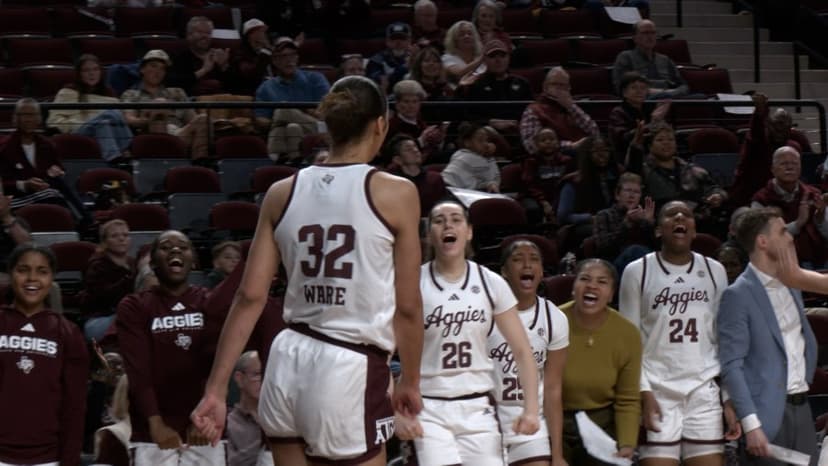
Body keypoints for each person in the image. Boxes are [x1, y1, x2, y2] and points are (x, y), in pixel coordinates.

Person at [191, 76, 425, 466]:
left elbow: (250, 297)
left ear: (327, 126)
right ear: (381, 124)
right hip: (349, 363)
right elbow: (408, 307)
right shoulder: (397, 193)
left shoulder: (281, 192)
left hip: (285, 360)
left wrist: (215, 390)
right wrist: (411, 380)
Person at [396, 200, 539, 466]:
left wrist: (531, 409)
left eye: (456, 219)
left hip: (478, 407)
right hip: (426, 406)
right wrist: (396, 410)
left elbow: (522, 351)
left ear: (469, 231)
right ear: (429, 235)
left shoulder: (490, 282)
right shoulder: (412, 283)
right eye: (439, 221)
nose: (448, 224)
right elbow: (381, 349)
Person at [619, 200, 740, 465]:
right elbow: (627, 343)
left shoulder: (714, 270)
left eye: (686, 214)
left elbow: (724, 339)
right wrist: (642, 391)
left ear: (694, 230)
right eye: (671, 215)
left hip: (703, 389)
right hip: (657, 389)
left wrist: (728, 398)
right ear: (658, 230)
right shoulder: (636, 271)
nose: (679, 217)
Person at [116, 230, 238, 466]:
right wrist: (155, 422)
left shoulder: (209, 301)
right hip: (153, 433)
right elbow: (138, 370)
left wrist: (206, 417)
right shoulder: (134, 306)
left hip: (205, 428)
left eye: (183, 246)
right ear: (152, 262)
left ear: (193, 260)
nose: (175, 250)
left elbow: (215, 364)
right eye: (165, 247)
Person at [718, 208, 818, 464]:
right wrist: (751, 425)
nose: (791, 237)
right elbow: (732, 365)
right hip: (766, 416)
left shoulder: (794, 282)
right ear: (763, 242)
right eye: (783, 231)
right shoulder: (737, 295)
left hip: (802, 409)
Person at [0, 245, 89, 466]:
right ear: (11, 274)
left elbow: (75, 405)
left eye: (42, 271)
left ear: (52, 279)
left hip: (48, 457)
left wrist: (70, 459)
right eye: (23, 270)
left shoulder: (68, 333)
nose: (32, 278)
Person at [490, 240, 569, 466]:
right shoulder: (483, 313)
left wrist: (557, 454)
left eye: (534, 259)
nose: (527, 264)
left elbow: (553, 390)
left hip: (530, 420)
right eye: (517, 259)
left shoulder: (554, 318)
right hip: (486, 419)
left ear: (542, 271)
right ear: (504, 271)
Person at [558, 259, 641, 464]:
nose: (592, 286)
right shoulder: (553, 321)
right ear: (573, 288)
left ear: (612, 294)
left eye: (602, 282)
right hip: (555, 421)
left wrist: (627, 444)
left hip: (602, 423)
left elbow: (628, 398)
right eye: (584, 279)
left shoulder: (627, 333)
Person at [0, 98, 90, 222]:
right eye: (23, 115)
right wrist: (24, 184)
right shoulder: (4, 147)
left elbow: (58, 169)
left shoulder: (47, 145)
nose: (28, 119)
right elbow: (3, 183)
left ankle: (82, 222)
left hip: (46, 194)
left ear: (39, 119)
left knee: (57, 190)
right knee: (53, 195)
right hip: (14, 199)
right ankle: (84, 222)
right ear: (15, 118)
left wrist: (58, 172)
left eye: (32, 115)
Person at [121, 50, 209, 160]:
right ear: (142, 69)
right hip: (149, 136)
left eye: (162, 68)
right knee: (160, 104)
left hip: (179, 135)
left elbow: (192, 119)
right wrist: (149, 119)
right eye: (153, 66)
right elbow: (129, 119)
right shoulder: (131, 94)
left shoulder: (177, 93)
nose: (158, 71)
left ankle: (200, 165)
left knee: (203, 119)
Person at [750, 145, 828, 269]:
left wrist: (819, 218)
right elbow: (763, 240)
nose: (790, 167)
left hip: (819, 263)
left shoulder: (814, 194)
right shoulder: (761, 200)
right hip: (780, 266)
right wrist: (798, 224)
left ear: (801, 168)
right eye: (784, 163)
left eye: (794, 163)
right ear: (772, 169)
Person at [730, 92, 813, 207]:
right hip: (750, 199)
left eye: (785, 125)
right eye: (777, 124)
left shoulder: (795, 146)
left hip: (787, 200)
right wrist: (759, 112)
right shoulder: (758, 143)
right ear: (768, 125)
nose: (780, 129)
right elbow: (756, 131)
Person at [254, 37, 330, 163]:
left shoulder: (316, 79)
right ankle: (296, 162)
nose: (289, 60)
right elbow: (261, 119)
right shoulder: (266, 87)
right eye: (283, 56)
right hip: (291, 133)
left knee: (283, 110)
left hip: (319, 127)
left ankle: (273, 157)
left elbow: (327, 111)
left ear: (297, 57)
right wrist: (281, 121)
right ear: (274, 61)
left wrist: (297, 111)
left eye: (292, 55)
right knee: (292, 127)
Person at [47, 54, 133, 162]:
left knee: (104, 123)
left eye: (95, 69)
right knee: (112, 113)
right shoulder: (68, 92)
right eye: (86, 70)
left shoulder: (110, 94)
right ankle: (128, 149)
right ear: (79, 74)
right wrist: (79, 123)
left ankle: (115, 159)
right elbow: (53, 121)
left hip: (103, 130)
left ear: (101, 72)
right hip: (78, 131)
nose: (92, 74)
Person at [520, 67, 600, 155]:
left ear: (569, 88)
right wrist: (571, 146)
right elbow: (532, 146)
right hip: (553, 161)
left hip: (583, 158)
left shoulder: (573, 108)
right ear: (545, 87)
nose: (559, 88)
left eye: (563, 85)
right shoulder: (533, 110)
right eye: (555, 84)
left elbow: (595, 133)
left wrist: (571, 107)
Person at [81, 219, 136, 342]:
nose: (121, 239)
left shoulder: (133, 263)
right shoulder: (96, 266)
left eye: (125, 235)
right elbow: (104, 297)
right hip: (99, 321)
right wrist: (129, 280)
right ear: (104, 242)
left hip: (128, 316)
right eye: (114, 236)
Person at [591, 172, 655, 272]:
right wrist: (625, 225)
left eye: (636, 192)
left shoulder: (643, 218)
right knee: (635, 250)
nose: (632, 195)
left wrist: (649, 224)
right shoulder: (604, 215)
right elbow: (602, 248)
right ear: (617, 194)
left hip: (643, 265)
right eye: (628, 190)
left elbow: (656, 248)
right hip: (613, 267)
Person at [612, 19, 689, 98]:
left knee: (699, 97)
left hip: (669, 99)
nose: (650, 36)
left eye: (653, 33)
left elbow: (683, 86)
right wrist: (661, 90)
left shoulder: (665, 59)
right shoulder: (625, 57)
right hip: (643, 102)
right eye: (645, 33)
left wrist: (668, 93)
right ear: (634, 38)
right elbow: (621, 88)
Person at [165, 16, 231, 96]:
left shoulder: (220, 55)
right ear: (188, 35)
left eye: (208, 33)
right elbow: (171, 83)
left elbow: (236, 87)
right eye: (200, 32)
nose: (204, 36)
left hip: (222, 103)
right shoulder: (178, 57)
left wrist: (224, 66)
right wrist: (203, 70)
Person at [519, 128, 573, 224]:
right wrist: (543, 202)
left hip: (557, 198)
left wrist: (555, 204)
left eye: (552, 139)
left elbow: (566, 185)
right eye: (543, 140)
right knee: (532, 209)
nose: (548, 142)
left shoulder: (566, 161)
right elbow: (529, 185)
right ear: (536, 144)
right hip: (535, 197)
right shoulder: (531, 162)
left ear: (557, 142)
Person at [607, 72, 670, 154]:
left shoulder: (650, 108)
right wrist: (651, 125)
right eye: (634, 88)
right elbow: (622, 138)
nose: (639, 91)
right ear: (624, 93)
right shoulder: (618, 112)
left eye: (643, 88)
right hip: (628, 154)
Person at [227, 351, 271, 466]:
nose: (265, 380)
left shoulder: (282, 419)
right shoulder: (228, 422)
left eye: (269, 374)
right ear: (239, 378)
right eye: (257, 374)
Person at [386, 133, 447, 215]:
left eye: (415, 147)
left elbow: (443, 207)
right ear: (398, 160)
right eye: (408, 149)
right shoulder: (391, 182)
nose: (415, 150)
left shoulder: (435, 179)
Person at [386, 80, 446, 161]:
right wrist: (421, 140)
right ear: (397, 104)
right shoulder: (392, 125)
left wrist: (438, 139)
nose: (411, 106)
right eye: (406, 102)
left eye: (415, 102)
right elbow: (393, 153)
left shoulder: (421, 121)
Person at [440, 121, 500, 193]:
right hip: (449, 191)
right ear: (467, 143)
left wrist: (489, 157)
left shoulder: (483, 157)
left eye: (486, 140)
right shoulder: (464, 157)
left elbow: (490, 181)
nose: (486, 144)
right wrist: (489, 158)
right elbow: (491, 178)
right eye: (480, 140)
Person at [230, 18, 274, 96]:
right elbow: (252, 76)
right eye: (256, 33)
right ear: (248, 38)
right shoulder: (239, 55)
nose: (261, 36)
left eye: (262, 33)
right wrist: (265, 52)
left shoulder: (270, 51)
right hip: (252, 96)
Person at [366, 22, 414, 92]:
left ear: (409, 41)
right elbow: (378, 83)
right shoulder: (376, 60)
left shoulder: (417, 58)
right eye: (394, 38)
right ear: (387, 41)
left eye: (402, 38)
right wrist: (404, 68)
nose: (398, 42)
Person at [442, 20, 486, 86]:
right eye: (461, 34)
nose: (466, 36)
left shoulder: (480, 57)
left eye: (470, 33)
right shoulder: (447, 58)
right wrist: (481, 59)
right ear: (454, 39)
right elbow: (460, 72)